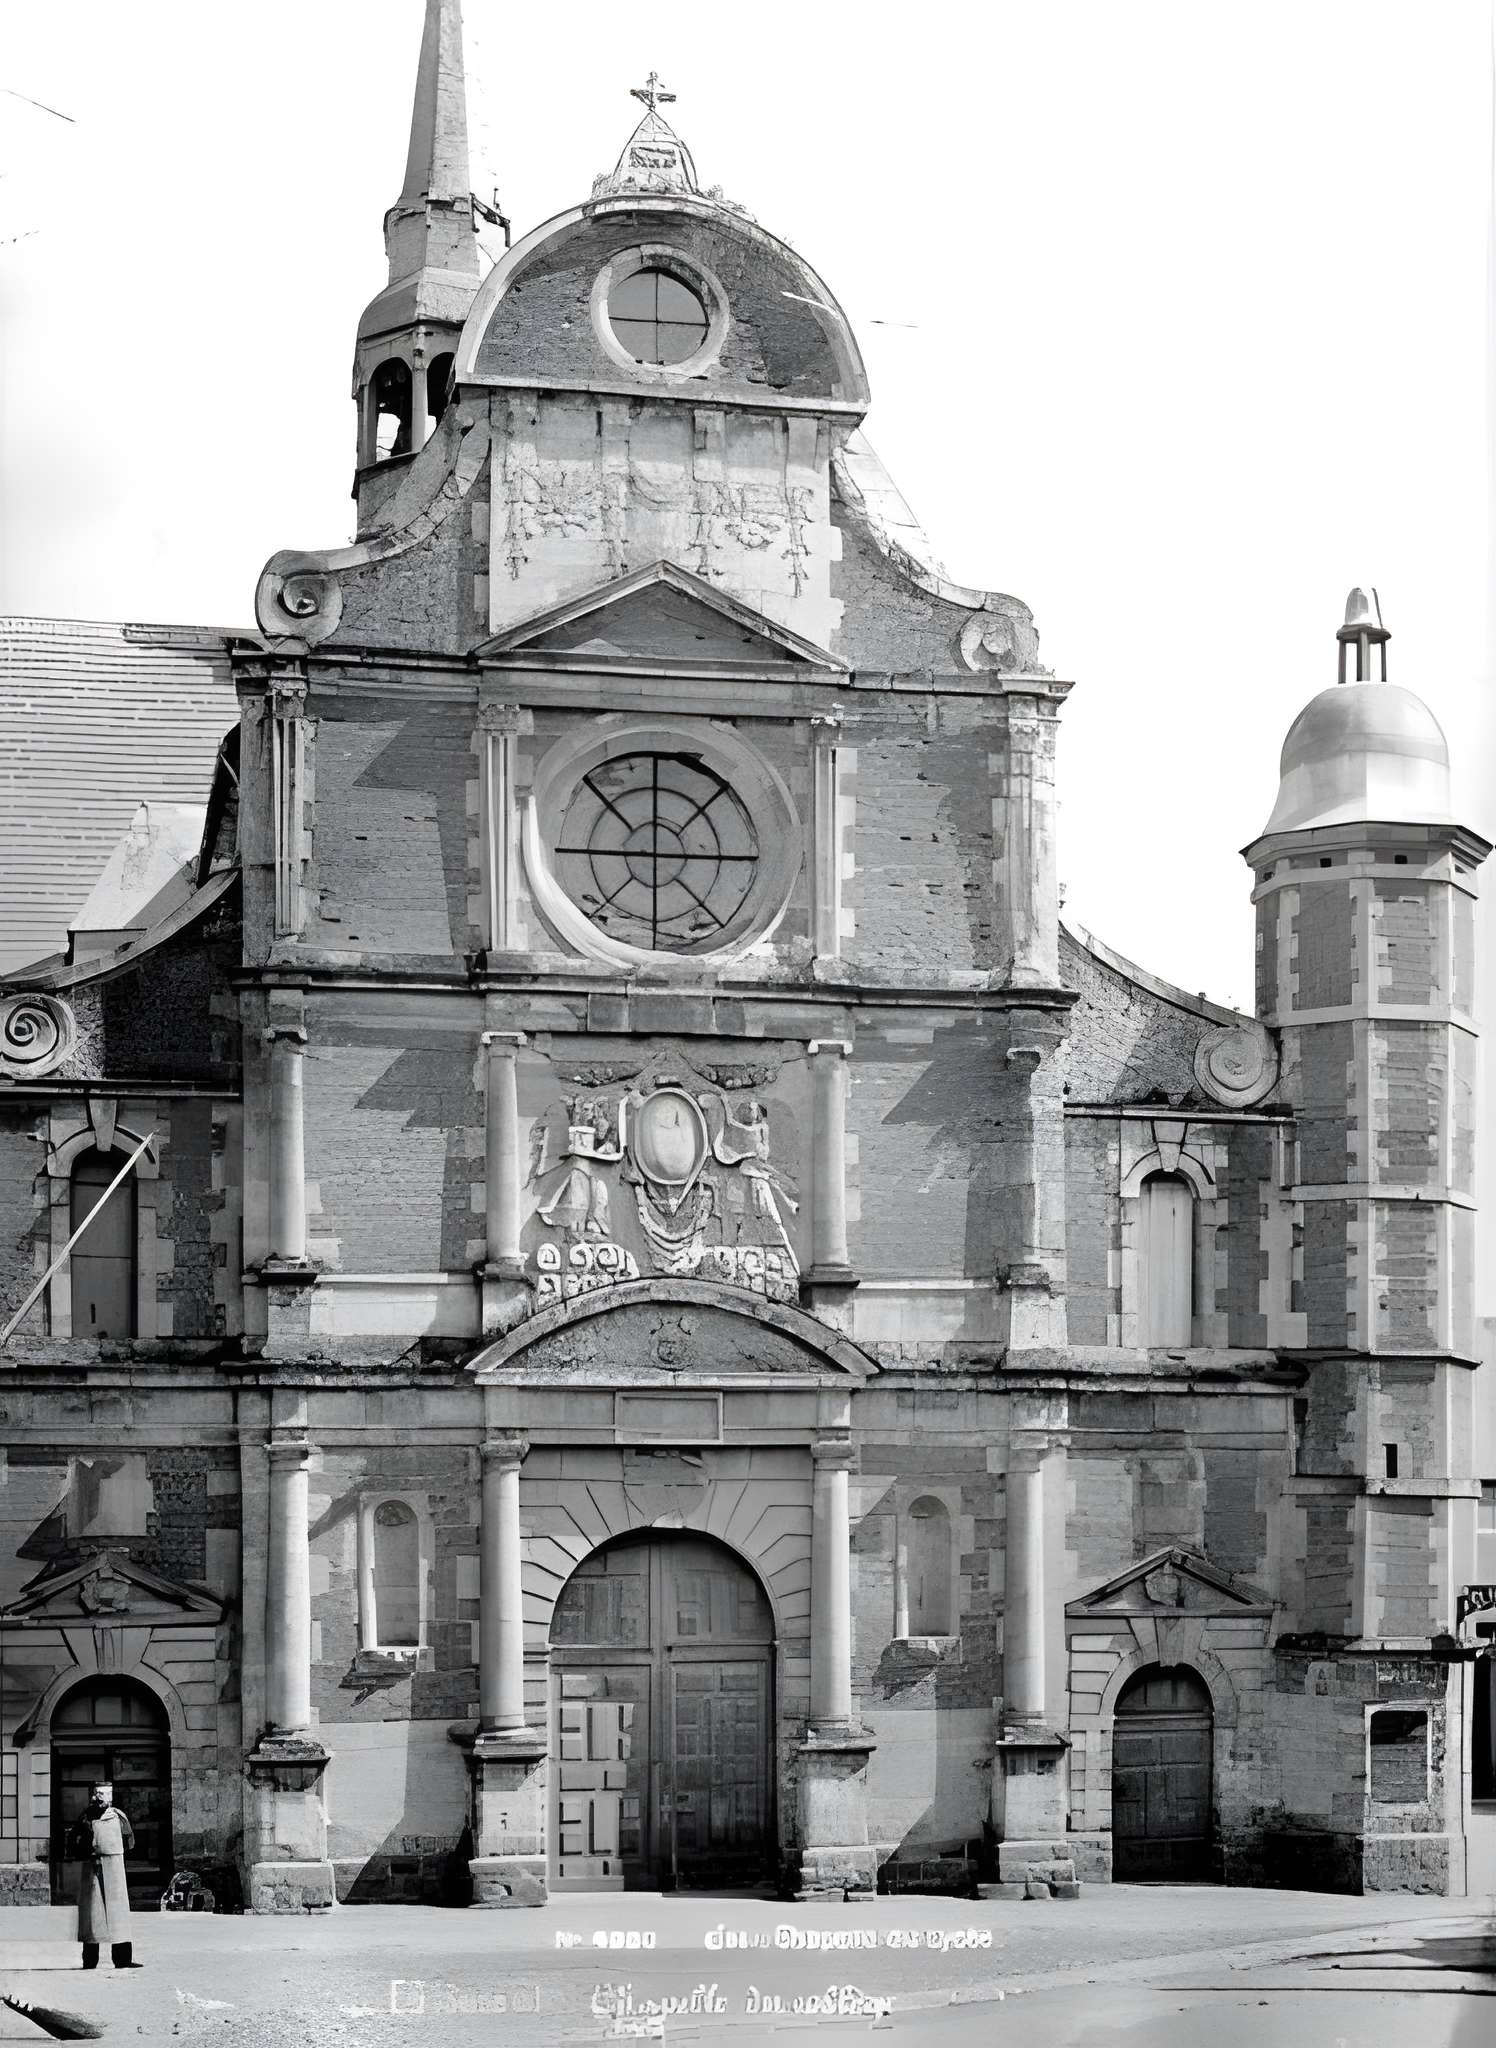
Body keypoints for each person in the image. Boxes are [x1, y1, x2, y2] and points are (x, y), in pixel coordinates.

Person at [66, 1781, 138, 1970]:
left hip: (114, 1867)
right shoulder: (85, 1818)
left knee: (118, 1914)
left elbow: (129, 1840)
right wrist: (86, 1850)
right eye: (99, 1794)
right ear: (93, 1795)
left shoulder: (118, 1816)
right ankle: (90, 1960)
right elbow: (72, 1841)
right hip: (92, 1867)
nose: (101, 1798)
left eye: (106, 1794)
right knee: (92, 1914)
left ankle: (122, 1959)